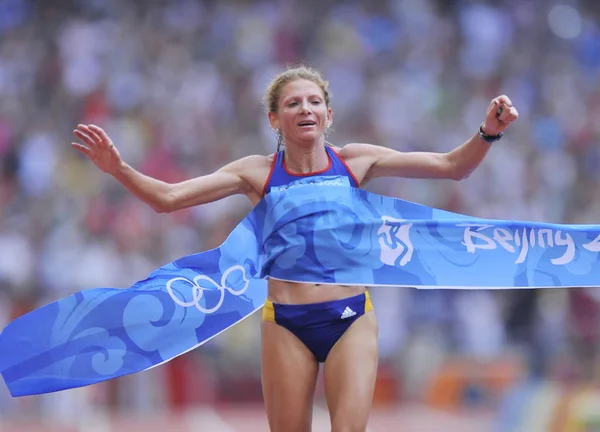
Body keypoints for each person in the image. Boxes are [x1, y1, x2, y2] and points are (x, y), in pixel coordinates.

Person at [71, 65, 518, 432]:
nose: (305, 108)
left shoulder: (356, 161)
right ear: (274, 119)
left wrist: (487, 132)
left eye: (314, 101)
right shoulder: (256, 173)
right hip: (285, 323)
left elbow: (451, 167)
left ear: (328, 114)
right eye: (293, 103)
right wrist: (119, 168)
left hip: (351, 319)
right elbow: (168, 200)